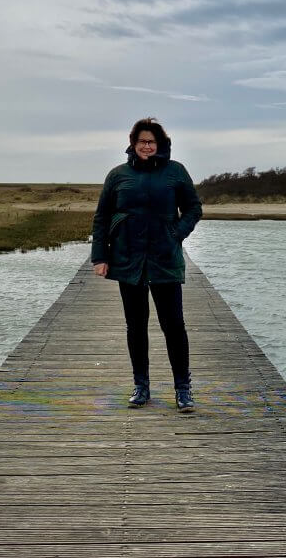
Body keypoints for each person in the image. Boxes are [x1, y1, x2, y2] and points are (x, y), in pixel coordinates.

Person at [90, 117, 203, 412]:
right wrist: (100, 257)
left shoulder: (175, 172)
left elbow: (193, 208)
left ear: (160, 144)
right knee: (135, 327)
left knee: (174, 326)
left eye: (151, 141)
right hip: (128, 260)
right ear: (133, 143)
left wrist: (176, 233)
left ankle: (183, 389)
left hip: (165, 260)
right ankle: (141, 386)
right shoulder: (118, 175)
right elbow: (102, 217)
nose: (146, 146)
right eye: (141, 141)